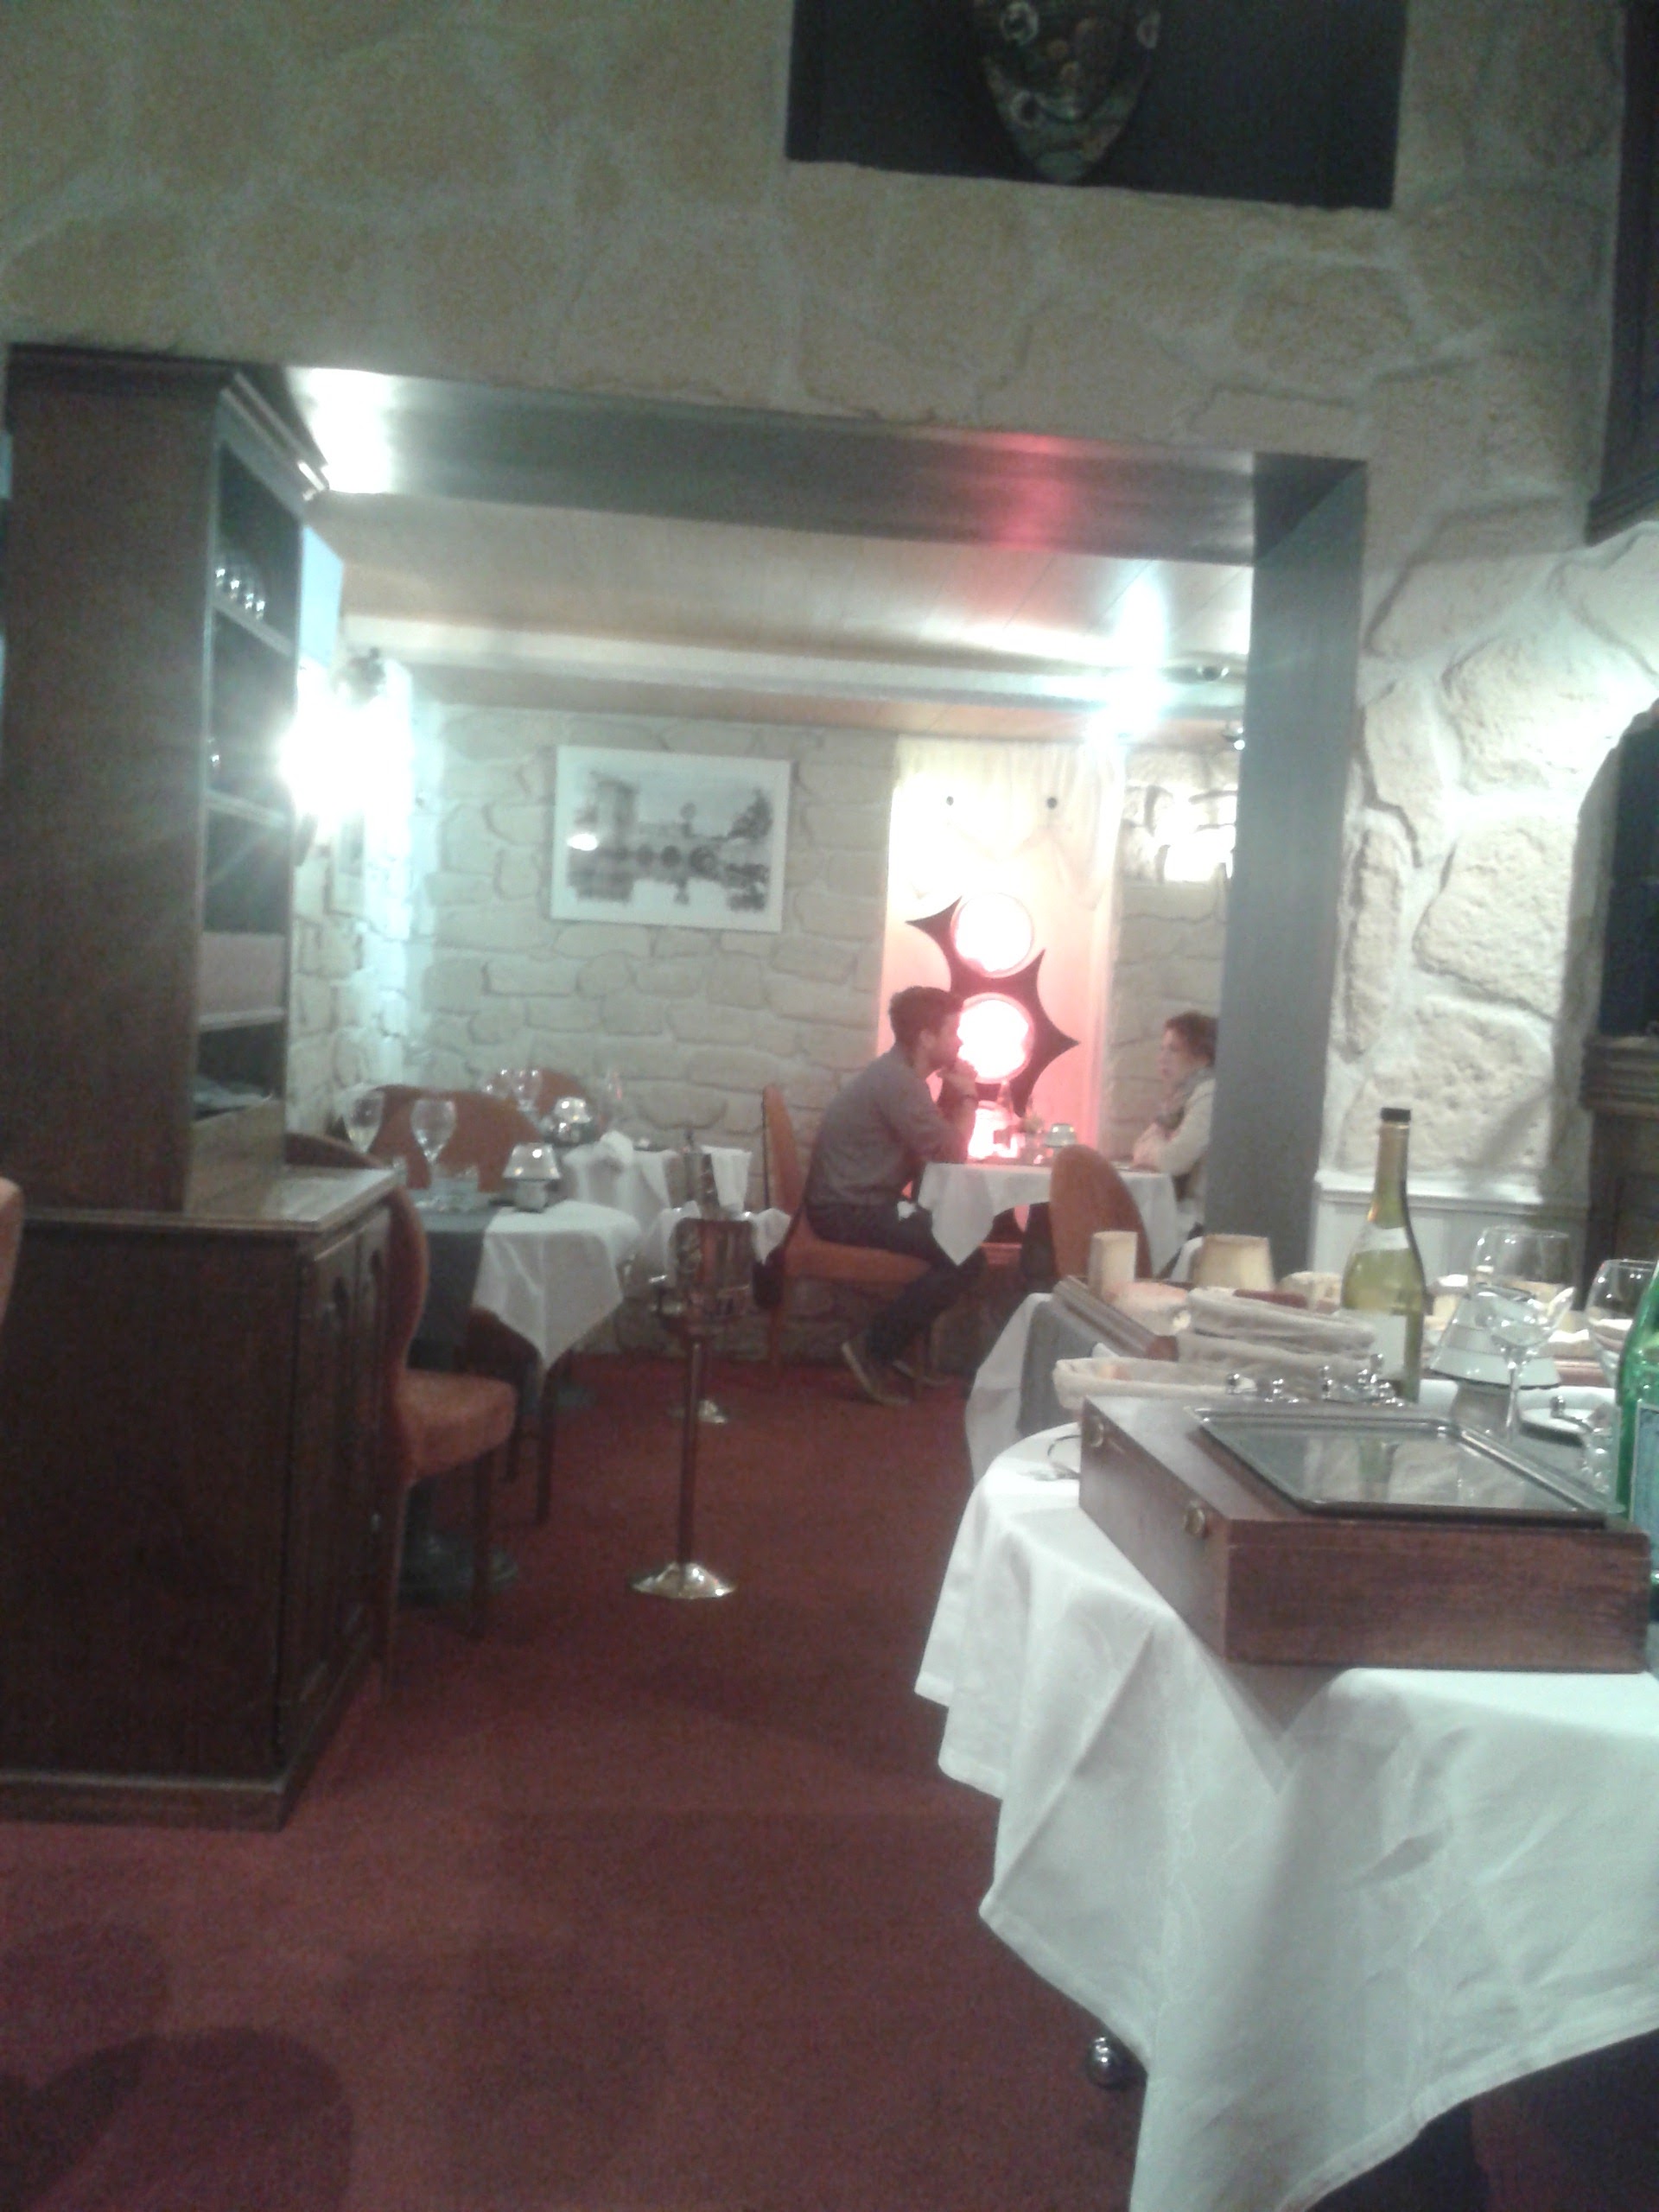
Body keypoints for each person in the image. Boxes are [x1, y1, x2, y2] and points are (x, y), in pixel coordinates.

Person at [804, 984, 982, 1407]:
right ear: (926, 1037)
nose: (960, 1042)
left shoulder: (899, 1077)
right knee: (966, 1256)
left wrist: (952, 1096)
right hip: (847, 1210)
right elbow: (952, 1153)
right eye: (953, 1031)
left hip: (855, 1202)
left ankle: (892, 1344)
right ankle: (873, 1349)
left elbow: (933, 1144)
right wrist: (969, 1095)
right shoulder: (899, 1082)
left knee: (958, 1243)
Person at [1130, 1010, 1218, 1237]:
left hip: (1200, 1223)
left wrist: (1159, 1145)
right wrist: (1160, 1143)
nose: (1162, 1058)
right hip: (1181, 1212)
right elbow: (1138, 1149)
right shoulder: (1179, 1099)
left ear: (1202, 1057)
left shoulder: (1209, 1094)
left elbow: (1172, 1161)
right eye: (1162, 1049)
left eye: (1174, 1049)